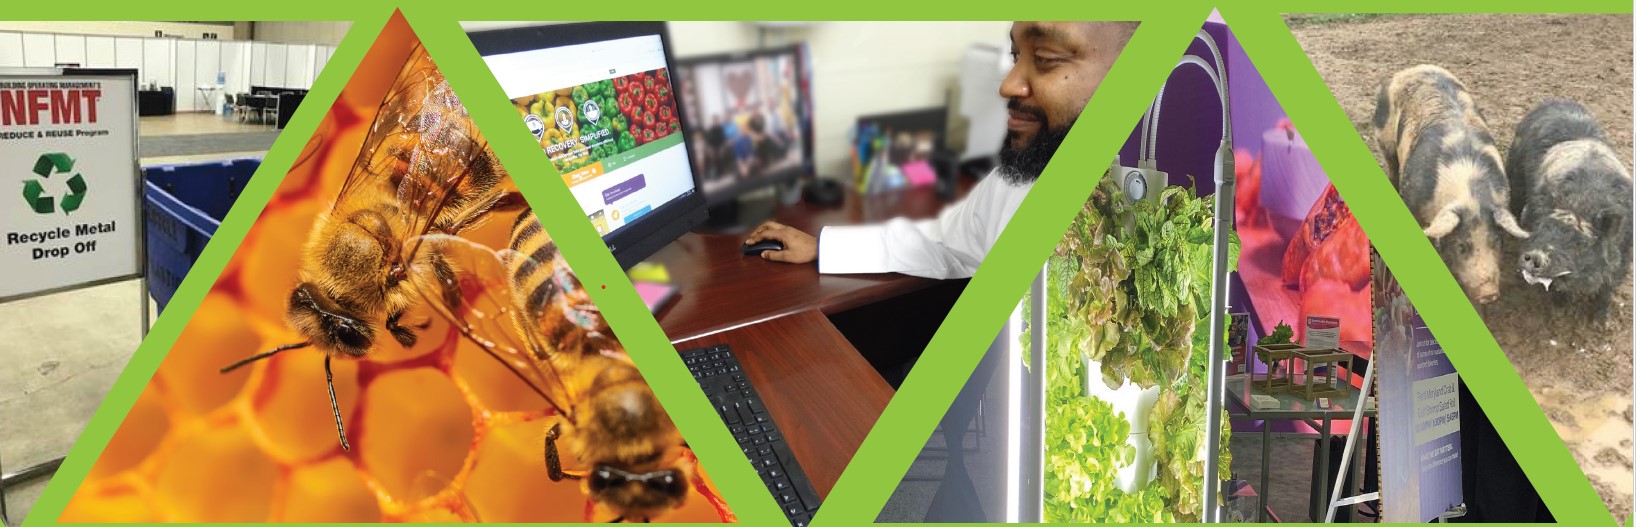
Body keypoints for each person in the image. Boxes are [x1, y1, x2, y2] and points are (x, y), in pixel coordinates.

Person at [743, 21, 1138, 279]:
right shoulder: (1016, 179)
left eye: (1046, 58)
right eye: (1017, 56)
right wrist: (824, 246)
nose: (1008, 85)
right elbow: (947, 241)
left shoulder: (1134, 208)